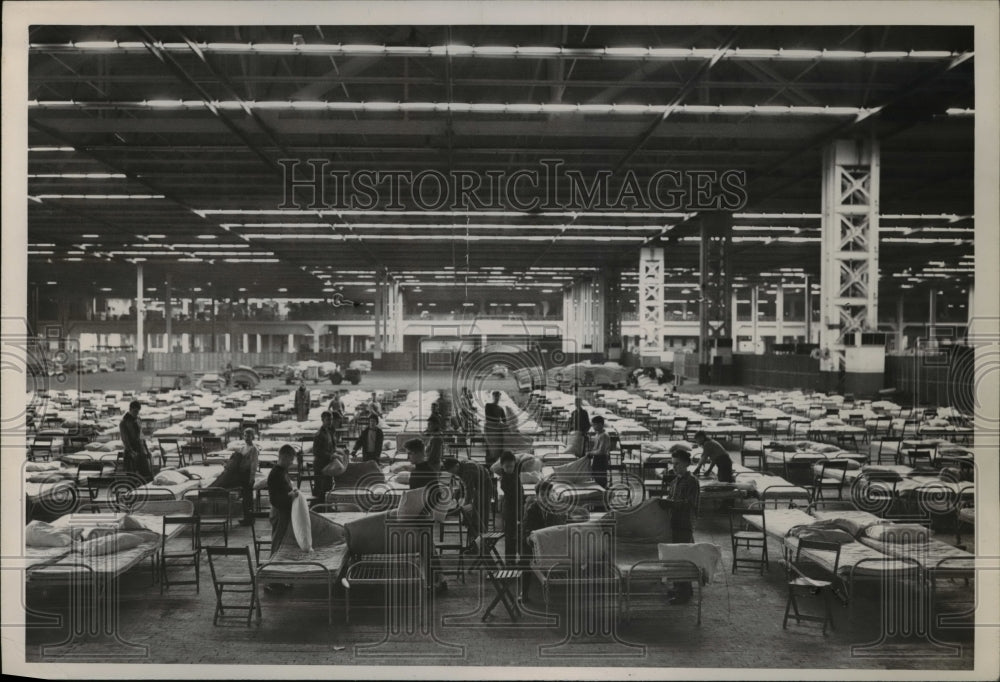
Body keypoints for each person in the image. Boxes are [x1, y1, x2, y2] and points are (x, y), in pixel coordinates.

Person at [664, 448, 700, 605]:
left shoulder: (691, 481)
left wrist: (670, 503)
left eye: (677, 464)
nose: (674, 467)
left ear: (686, 464)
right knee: (676, 556)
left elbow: (690, 504)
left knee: (683, 558)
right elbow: (672, 497)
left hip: (684, 523)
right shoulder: (675, 480)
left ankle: (684, 592)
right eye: (673, 464)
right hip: (675, 521)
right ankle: (681, 587)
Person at [265, 444, 299, 591]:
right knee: (277, 546)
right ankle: (272, 580)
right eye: (290, 459)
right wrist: (290, 496)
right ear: (284, 457)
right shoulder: (275, 474)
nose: (292, 462)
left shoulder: (283, 471)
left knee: (282, 544)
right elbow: (274, 499)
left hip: (285, 512)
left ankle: (281, 577)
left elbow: (286, 489)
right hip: (280, 512)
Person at [210, 428, 259, 526]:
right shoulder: (243, 447)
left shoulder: (253, 449)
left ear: (253, 437)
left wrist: (252, 478)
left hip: (247, 474)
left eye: (248, 436)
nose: (246, 438)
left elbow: (254, 464)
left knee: (247, 498)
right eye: (245, 436)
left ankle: (249, 519)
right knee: (244, 496)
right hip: (241, 473)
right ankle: (213, 489)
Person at [441, 457, 492, 551]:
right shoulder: (460, 466)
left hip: (484, 485)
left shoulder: (467, 470)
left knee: (479, 516)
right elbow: (463, 486)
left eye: (453, 471)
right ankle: (474, 545)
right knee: (471, 515)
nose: (453, 474)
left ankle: (482, 546)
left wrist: (463, 507)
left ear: (456, 465)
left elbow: (469, 491)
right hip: (477, 485)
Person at [497, 451, 524, 566]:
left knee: (518, 534)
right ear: (502, 466)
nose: (510, 469)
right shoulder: (504, 480)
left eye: (512, 466)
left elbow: (521, 461)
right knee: (510, 536)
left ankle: (517, 558)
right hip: (510, 509)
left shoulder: (515, 472)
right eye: (507, 466)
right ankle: (510, 561)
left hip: (518, 507)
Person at [119, 400, 153, 483]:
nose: (136, 413)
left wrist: (147, 450)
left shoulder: (138, 419)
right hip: (131, 451)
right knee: (132, 477)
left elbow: (142, 436)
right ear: (130, 409)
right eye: (135, 411)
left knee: (147, 475)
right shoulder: (124, 422)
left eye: (138, 411)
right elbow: (125, 439)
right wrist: (131, 451)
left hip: (140, 449)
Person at [311, 411, 335, 507]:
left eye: (331, 419)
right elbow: (316, 451)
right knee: (320, 488)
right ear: (322, 420)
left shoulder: (329, 431)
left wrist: (336, 452)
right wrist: (330, 456)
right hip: (320, 465)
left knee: (328, 487)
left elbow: (331, 446)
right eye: (328, 420)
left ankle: (326, 508)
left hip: (328, 465)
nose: (330, 422)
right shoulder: (319, 434)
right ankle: (316, 509)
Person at [586, 415, 611, 489]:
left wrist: (591, 453)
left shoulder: (604, 435)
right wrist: (590, 452)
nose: (593, 427)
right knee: (596, 476)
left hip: (602, 459)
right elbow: (595, 448)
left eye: (594, 425)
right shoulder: (597, 434)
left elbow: (601, 451)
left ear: (600, 424)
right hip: (597, 458)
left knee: (601, 478)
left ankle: (603, 492)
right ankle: (599, 491)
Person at [483, 391, 506, 466]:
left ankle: (496, 465)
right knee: (490, 448)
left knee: (498, 449)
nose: (497, 398)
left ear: (500, 397)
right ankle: (489, 466)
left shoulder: (500, 408)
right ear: (492, 397)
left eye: (498, 396)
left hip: (497, 431)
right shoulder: (488, 406)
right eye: (495, 396)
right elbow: (489, 417)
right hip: (490, 430)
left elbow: (504, 420)